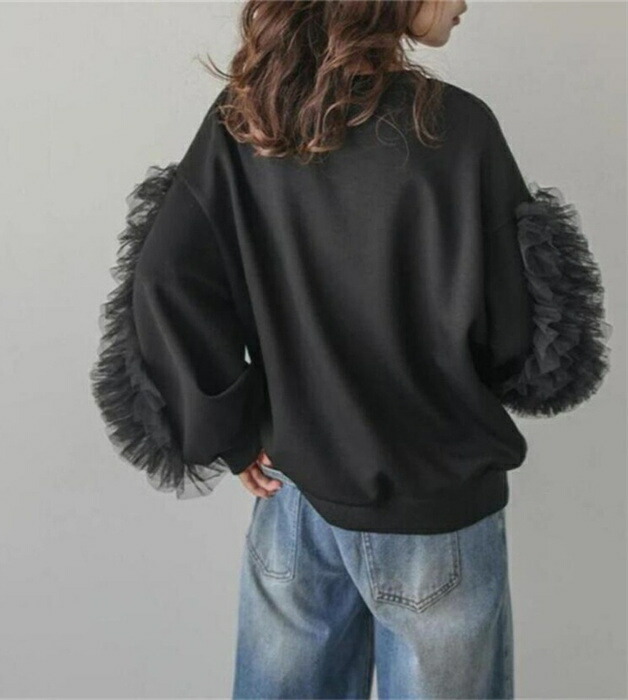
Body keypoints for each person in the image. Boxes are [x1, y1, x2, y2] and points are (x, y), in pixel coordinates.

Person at [90, 1, 612, 697]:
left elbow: (167, 279)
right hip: (437, 513)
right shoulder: (459, 128)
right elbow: (515, 334)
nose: (465, 3)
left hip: (295, 501)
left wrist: (232, 431)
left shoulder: (252, 120)